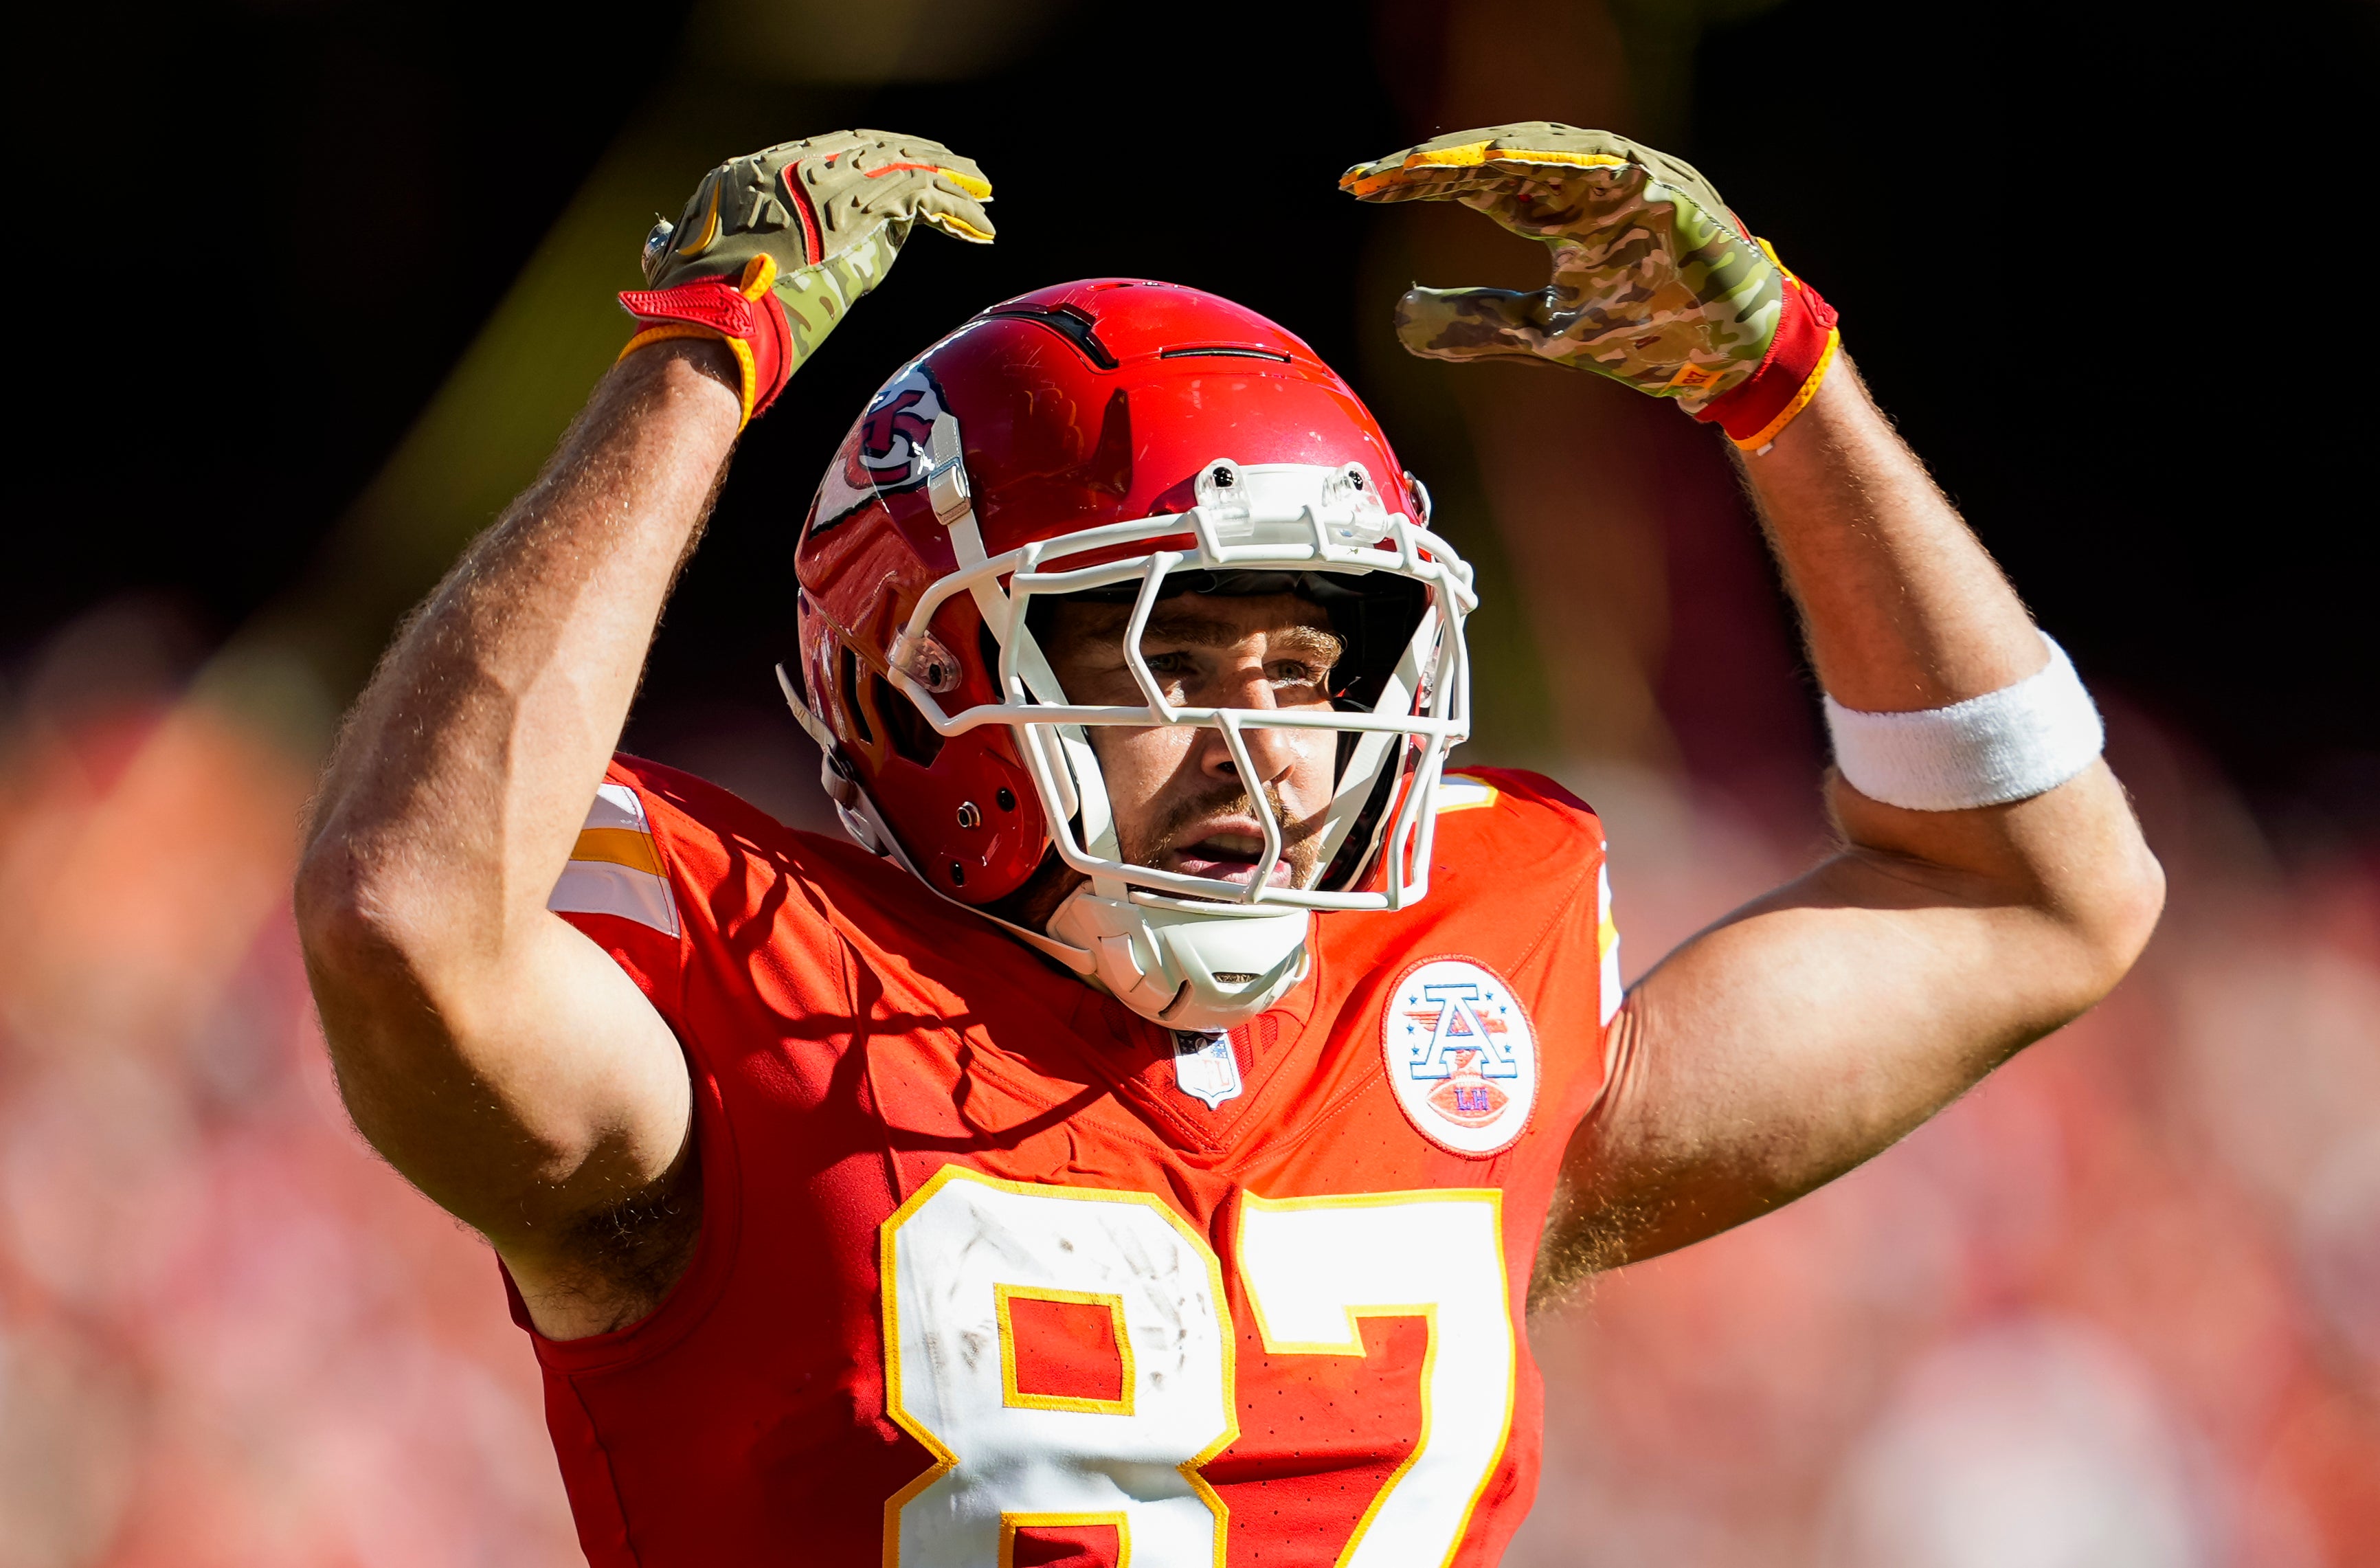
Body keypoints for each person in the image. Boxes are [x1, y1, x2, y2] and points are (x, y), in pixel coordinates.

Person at [295, 124, 2164, 1566]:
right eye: (1170, 648)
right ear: (917, 672)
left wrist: (1788, 389)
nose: (1271, 733)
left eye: (1310, 654)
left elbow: (2043, 889)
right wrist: (696, 368)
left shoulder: (1459, 992)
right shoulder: (751, 994)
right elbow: (404, 913)